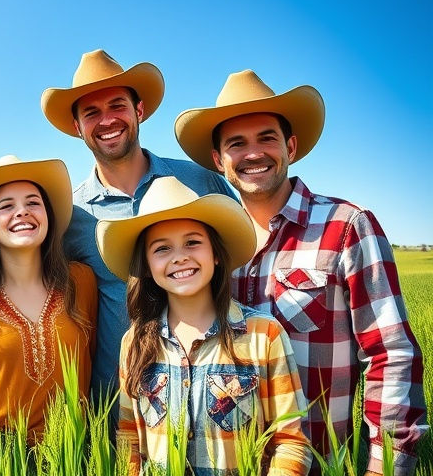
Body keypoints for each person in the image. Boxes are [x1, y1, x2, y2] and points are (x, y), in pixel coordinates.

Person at [174, 70, 428, 474]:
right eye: (236, 144)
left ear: (290, 146)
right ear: (219, 160)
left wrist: (384, 467)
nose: (253, 153)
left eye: (267, 138)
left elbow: (391, 353)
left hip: (320, 462)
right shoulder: (210, 246)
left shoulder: (346, 226)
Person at [40, 49, 238, 411]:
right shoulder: (70, 216)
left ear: (139, 111)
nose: (107, 120)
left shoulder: (199, 181)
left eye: (117, 106)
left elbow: (238, 265)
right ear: (76, 127)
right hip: (116, 403)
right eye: (91, 113)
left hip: (212, 397)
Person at [97, 176, 311, 474]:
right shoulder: (134, 343)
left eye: (192, 242)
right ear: (145, 265)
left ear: (216, 254)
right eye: (162, 248)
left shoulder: (264, 335)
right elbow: (129, 436)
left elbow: (290, 442)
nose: (180, 257)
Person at [0, 156, 98, 474]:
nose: (21, 211)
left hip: (67, 451)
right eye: (6, 205)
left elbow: (87, 362)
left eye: (32, 202)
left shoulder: (81, 282)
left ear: (48, 217)